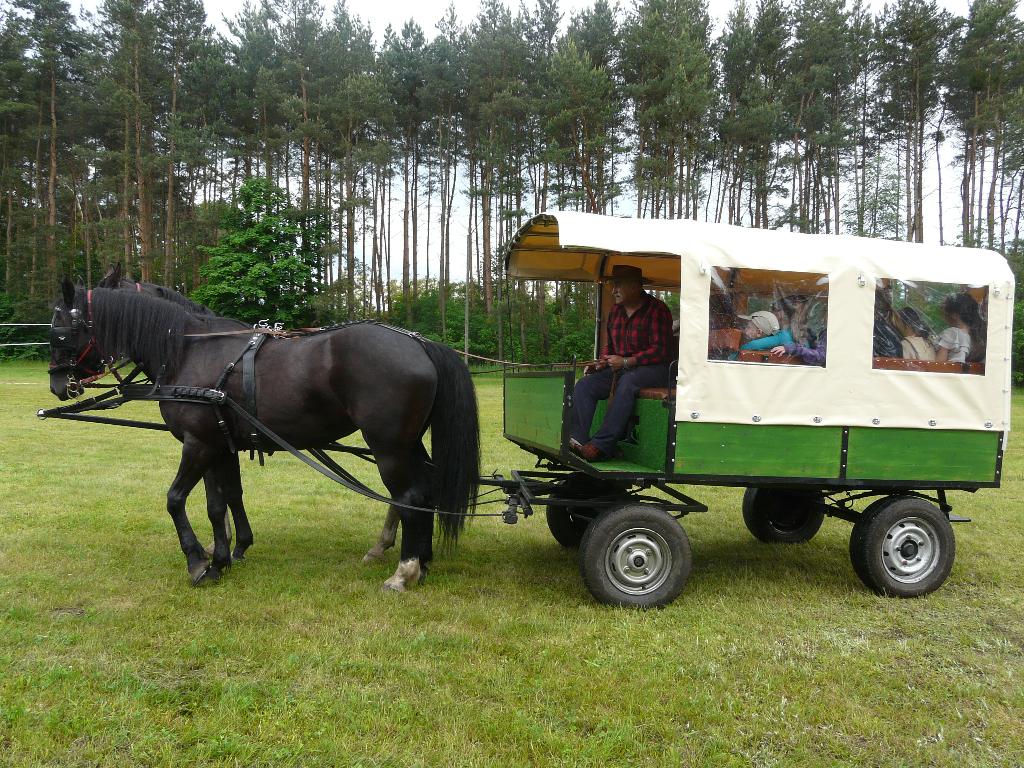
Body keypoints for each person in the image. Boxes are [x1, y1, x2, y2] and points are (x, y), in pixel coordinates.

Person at [570, 264, 674, 462]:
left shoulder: (657, 309)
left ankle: (601, 446)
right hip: (622, 368)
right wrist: (602, 362)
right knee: (586, 384)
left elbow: (661, 350)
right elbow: (610, 345)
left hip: (656, 369)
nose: (614, 290)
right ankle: (578, 439)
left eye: (618, 285)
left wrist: (627, 361)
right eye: (613, 285)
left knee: (629, 381)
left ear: (635, 286)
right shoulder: (616, 311)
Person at [936, 293, 986, 363]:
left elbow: (938, 364)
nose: (944, 318)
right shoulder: (977, 336)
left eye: (944, 314)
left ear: (954, 315)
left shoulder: (951, 333)